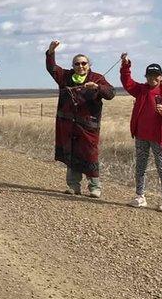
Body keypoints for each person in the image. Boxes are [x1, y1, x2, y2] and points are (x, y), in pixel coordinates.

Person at [45, 41, 115, 197]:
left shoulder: (97, 78)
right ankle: (73, 186)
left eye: (84, 63)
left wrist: (98, 87)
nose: (80, 66)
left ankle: (94, 187)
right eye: (77, 64)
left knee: (90, 154)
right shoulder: (66, 77)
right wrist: (51, 52)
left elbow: (111, 93)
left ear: (89, 65)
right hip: (68, 125)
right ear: (73, 65)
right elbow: (52, 68)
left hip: (88, 126)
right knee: (71, 153)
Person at [121, 55, 162, 213]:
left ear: (161, 77)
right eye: (149, 76)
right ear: (146, 77)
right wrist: (125, 66)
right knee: (140, 166)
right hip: (141, 135)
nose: (152, 79)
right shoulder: (141, 89)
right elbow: (127, 83)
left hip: (159, 137)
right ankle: (140, 197)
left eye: (155, 76)